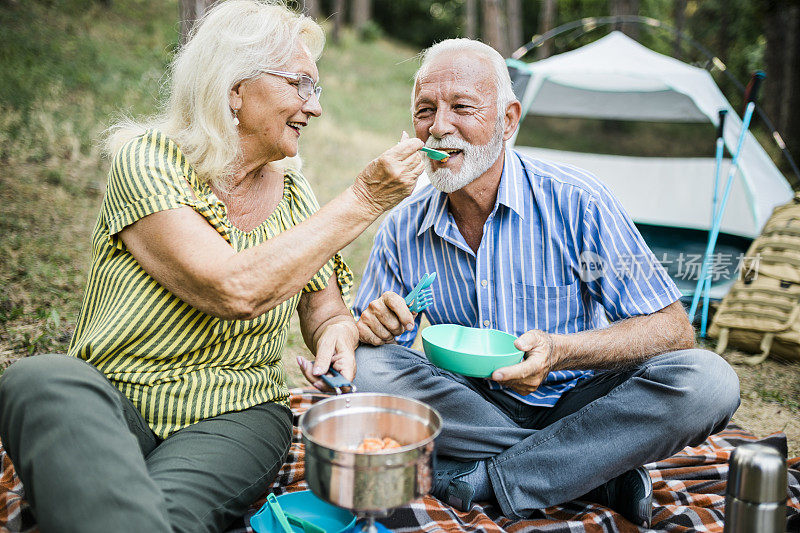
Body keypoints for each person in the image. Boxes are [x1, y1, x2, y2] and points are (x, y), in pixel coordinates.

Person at [0, 2, 424, 532]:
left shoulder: (295, 195)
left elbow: (325, 308)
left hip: (237, 414)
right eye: (302, 85)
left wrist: (336, 331)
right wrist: (364, 198)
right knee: (39, 378)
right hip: (117, 394)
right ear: (234, 89)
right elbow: (230, 288)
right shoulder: (149, 160)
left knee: (161, 513)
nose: (314, 108)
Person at [352, 38, 740, 527]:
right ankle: (597, 470)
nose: (439, 126)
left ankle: (491, 480)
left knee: (708, 381)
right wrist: (374, 328)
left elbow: (671, 329)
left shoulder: (578, 201)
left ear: (508, 120)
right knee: (366, 369)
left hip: (584, 403)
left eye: (462, 108)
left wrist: (560, 350)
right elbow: (380, 356)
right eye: (425, 110)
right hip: (474, 408)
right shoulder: (402, 227)